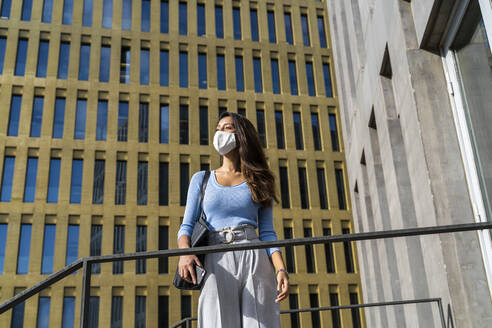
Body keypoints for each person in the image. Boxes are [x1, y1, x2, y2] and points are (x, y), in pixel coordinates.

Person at [177, 111, 289, 327]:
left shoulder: (259, 180)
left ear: (241, 135)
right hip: (215, 257)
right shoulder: (201, 179)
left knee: (260, 323)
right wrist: (186, 253)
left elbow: (267, 233)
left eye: (227, 128)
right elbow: (186, 226)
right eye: (218, 128)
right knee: (216, 321)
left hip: (254, 256)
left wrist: (280, 269)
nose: (220, 132)